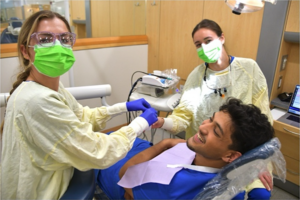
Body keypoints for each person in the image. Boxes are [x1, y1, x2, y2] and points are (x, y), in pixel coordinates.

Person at [0, 10, 158, 199]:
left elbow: (82, 117)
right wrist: (140, 123)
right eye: (45, 39)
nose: (57, 46)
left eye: (65, 39)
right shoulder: (37, 100)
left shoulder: (49, 89)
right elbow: (99, 152)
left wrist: (123, 107)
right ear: (25, 51)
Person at [96, 98, 275, 200]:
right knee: (116, 137)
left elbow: (124, 174)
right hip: (153, 155)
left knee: (101, 145)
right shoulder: (224, 165)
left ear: (231, 155)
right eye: (211, 119)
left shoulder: (175, 187)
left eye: (216, 131)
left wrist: (165, 144)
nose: (204, 126)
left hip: (119, 169)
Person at [152, 19, 273, 139]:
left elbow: (262, 114)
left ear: (222, 38)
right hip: (202, 144)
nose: (204, 48)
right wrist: (162, 122)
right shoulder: (196, 76)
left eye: (208, 41)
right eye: (198, 44)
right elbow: (183, 116)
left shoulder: (248, 68)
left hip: (238, 144)